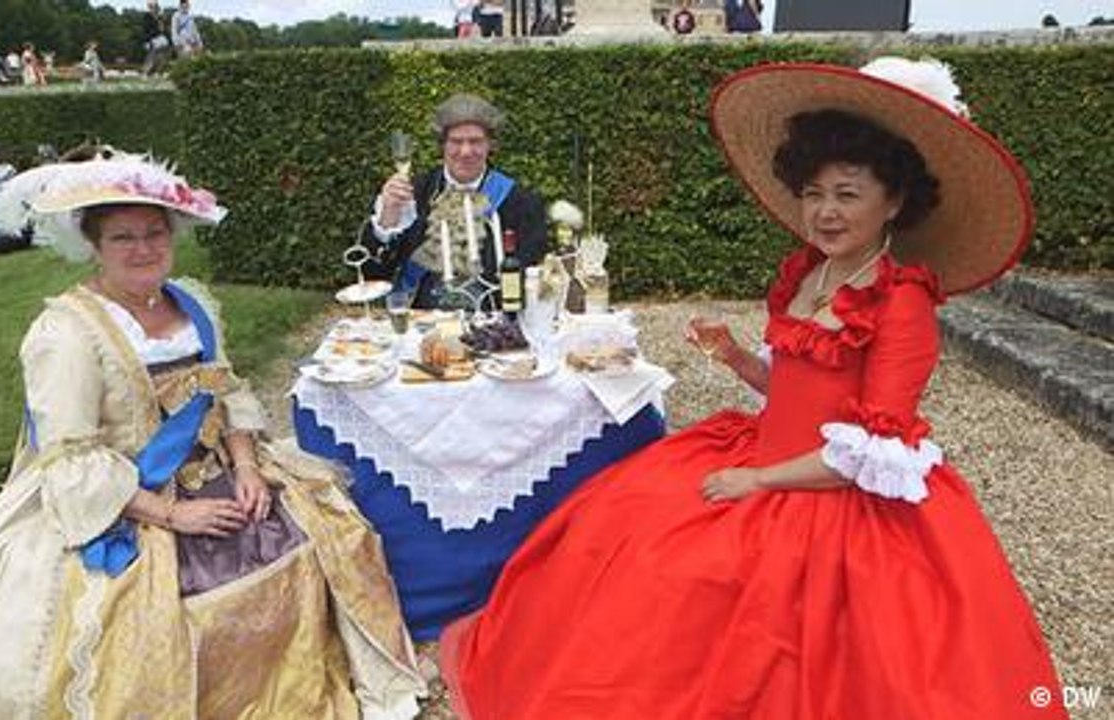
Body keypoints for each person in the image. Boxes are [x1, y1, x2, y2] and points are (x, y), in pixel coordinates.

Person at [439, 58, 1067, 719]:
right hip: (765, 450)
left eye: (848, 195)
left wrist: (760, 483)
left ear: (896, 201)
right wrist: (739, 357)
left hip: (831, 493)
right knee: (618, 535)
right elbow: (797, 388)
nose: (824, 212)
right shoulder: (810, 274)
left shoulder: (902, 302)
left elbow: (871, 453)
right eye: (814, 192)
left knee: (741, 604)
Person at [0, 157, 426, 719]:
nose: (143, 248)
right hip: (121, 493)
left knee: (328, 532)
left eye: (155, 233)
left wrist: (246, 467)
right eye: (123, 237)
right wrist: (173, 517)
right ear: (93, 244)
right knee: (144, 614)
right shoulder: (66, 332)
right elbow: (69, 458)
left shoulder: (190, 302)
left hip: (211, 466)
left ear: (173, 235)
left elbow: (225, 389)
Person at [362, 93, 547, 309]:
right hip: (420, 321)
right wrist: (388, 218)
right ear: (442, 145)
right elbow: (373, 274)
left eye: (476, 141)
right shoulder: (413, 192)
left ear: (490, 145)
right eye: (456, 141)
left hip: (492, 320)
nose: (466, 151)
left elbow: (529, 275)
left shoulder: (521, 202)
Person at [142, 0, 173, 76]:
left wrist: (161, 22)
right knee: (152, 55)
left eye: (155, 7)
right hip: (151, 39)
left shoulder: (160, 17)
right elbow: (146, 30)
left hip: (160, 39)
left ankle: (157, 71)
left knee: (162, 55)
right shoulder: (147, 17)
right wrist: (147, 41)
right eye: (152, 6)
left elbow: (164, 29)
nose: (154, 8)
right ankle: (146, 71)